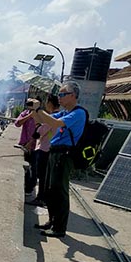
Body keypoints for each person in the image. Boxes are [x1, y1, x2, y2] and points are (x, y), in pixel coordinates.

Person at [31, 81, 87, 238]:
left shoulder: (78, 113)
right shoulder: (65, 112)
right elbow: (43, 120)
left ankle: (59, 228)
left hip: (65, 154)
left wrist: (39, 109)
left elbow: (55, 123)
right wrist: (34, 109)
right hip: (54, 152)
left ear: (73, 96)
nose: (59, 97)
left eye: (62, 94)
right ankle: (52, 221)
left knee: (59, 191)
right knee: (49, 189)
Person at [26, 95, 58, 207]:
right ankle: (43, 197)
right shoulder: (58, 117)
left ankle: (41, 198)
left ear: (50, 103)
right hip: (50, 148)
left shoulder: (53, 117)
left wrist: (37, 119)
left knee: (42, 176)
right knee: (45, 176)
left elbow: (39, 132)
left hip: (44, 149)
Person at [15, 98, 38, 195]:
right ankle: (25, 186)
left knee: (33, 168)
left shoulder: (40, 115)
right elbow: (17, 123)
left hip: (34, 146)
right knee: (25, 167)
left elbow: (39, 131)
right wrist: (29, 116)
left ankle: (29, 188)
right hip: (24, 144)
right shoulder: (25, 113)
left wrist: (31, 142)